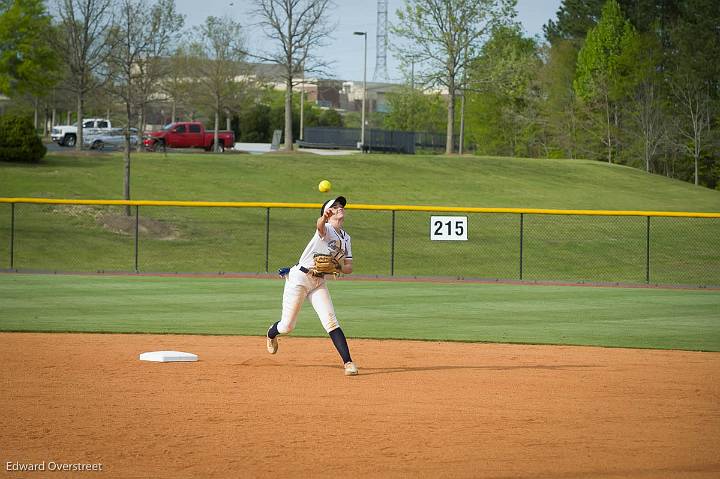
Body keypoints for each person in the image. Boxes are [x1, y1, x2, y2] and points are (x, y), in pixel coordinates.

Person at [266, 196, 358, 376]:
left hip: (318, 281)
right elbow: (319, 225)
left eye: (341, 206)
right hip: (299, 278)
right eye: (335, 206)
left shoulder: (346, 238)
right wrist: (323, 217)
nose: (340, 208)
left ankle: (348, 363)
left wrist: (337, 267)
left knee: (331, 321)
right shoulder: (326, 229)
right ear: (328, 212)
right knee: (287, 327)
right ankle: (271, 332)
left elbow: (349, 267)